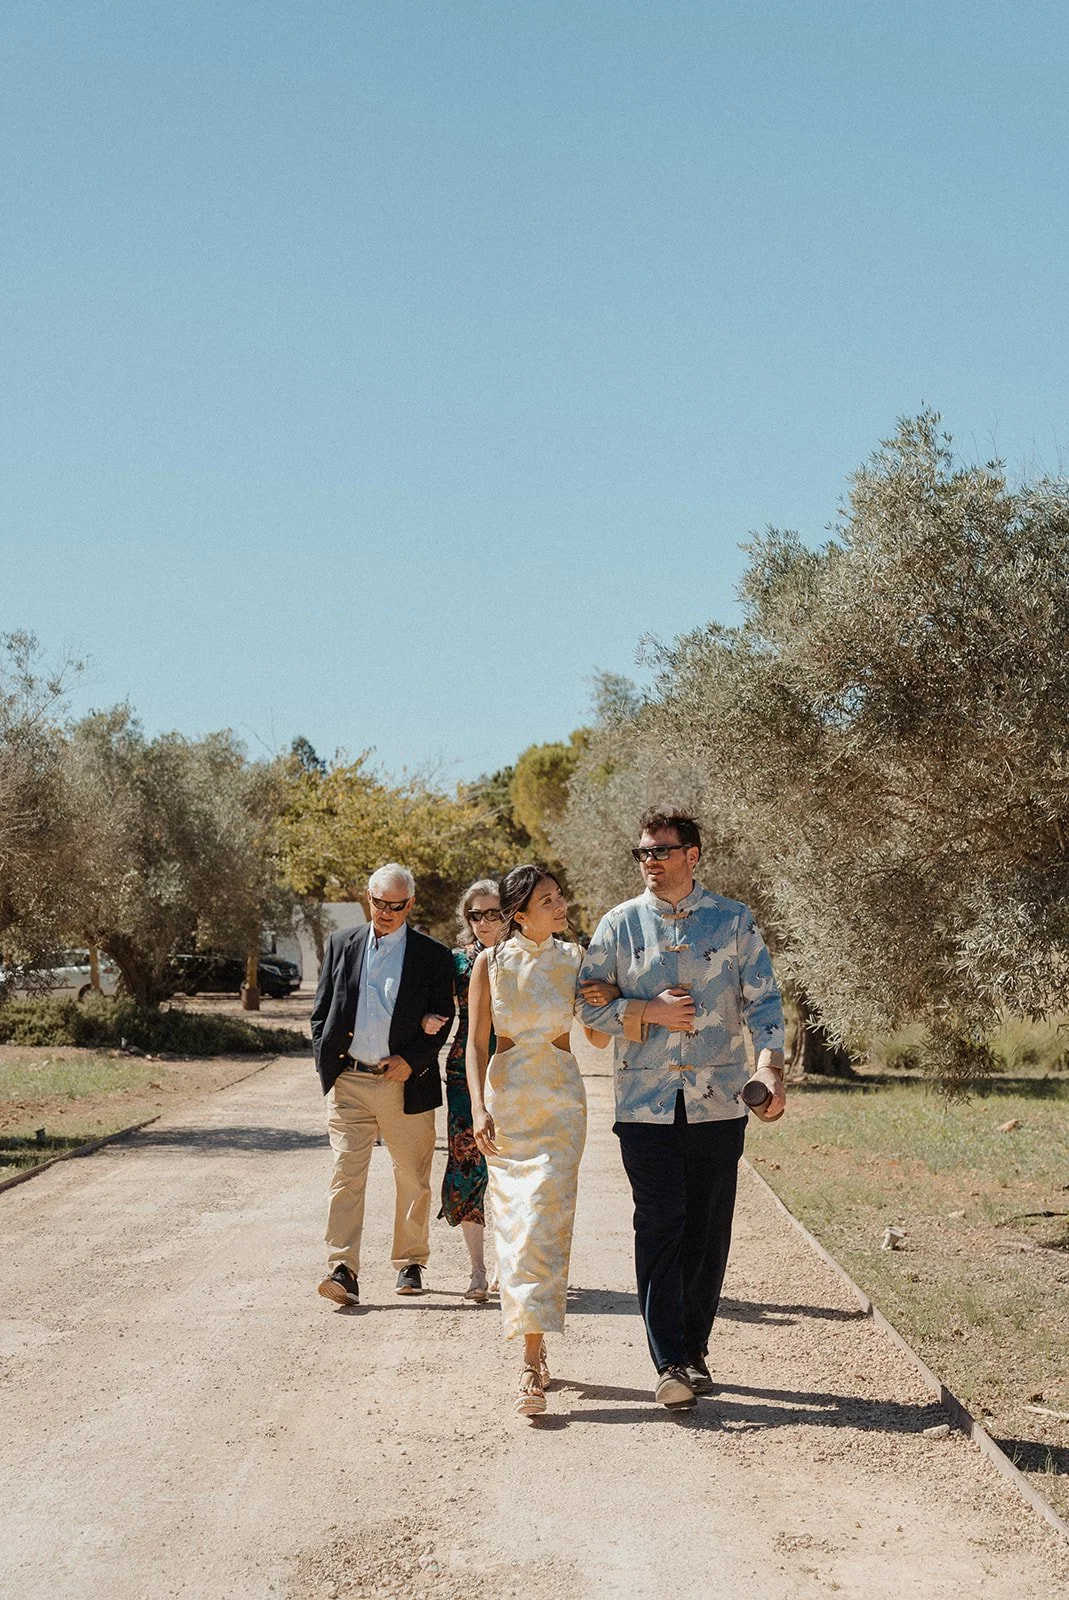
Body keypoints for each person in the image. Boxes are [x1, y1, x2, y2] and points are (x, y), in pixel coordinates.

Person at [577, 810, 786, 1411]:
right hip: (644, 1106)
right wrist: (647, 1011)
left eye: (661, 851)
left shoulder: (734, 920)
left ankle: (694, 1348)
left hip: (719, 1104)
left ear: (692, 854)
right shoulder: (617, 926)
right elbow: (588, 1008)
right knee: (660, 1222)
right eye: (642, 852)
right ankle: (668, 1359)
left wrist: (769, 1066)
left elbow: (764, 1002)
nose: (650, 861)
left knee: (707, 1231)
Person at [466, 864, 612, 1417]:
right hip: (508, 1106)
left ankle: (530, 1361)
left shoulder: (577, 959)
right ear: (518, 914)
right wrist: (478, 1107)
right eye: (547, 900)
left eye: (559, 896)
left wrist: (606, 995)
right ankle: (535, 1348)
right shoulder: (489, 963)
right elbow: (476, 1045)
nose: (560, 905)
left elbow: (596, 1036)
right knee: (516, 1223)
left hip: (561, 1104)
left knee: (544, 1223)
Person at [311, 863, 455, 1307]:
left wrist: (410, 1061)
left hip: (403, 1084)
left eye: (396, 905)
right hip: (349, 1080)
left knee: (412, 1176)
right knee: (345, 1175)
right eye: (378, 902)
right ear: (367, 898)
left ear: (409, 904)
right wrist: (326, 1062)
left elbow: (442, 1021)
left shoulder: (433, 956)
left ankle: (410, 1261)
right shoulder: (341, 944)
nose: (386, 912)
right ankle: (343, 1268)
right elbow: (322, 1012)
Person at [432, 878, 505, 1303]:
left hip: (513, 1068)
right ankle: (477, 1270)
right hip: (464, 1070)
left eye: (492, 913)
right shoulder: (457, 963)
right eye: (474, 915)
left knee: (510, 1167)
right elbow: (426, 1003)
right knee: (467, 1163)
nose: (482, 922)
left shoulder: (520, 957)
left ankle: (503, 1264)